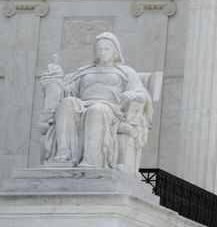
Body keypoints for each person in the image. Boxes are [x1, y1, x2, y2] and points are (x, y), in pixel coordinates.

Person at [38, 32, 155, 174]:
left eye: (107, 49)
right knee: (67, 103)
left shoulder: (126, 72)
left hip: (111, 108)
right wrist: (53, 84)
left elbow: (141, 93)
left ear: (115, 52)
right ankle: (63, 154)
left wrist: (133, 94)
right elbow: (66, 93)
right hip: (83, 103)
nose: (103, 52)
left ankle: (91, 159)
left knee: (96, 110)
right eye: (100, 49)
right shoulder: (84, 72)